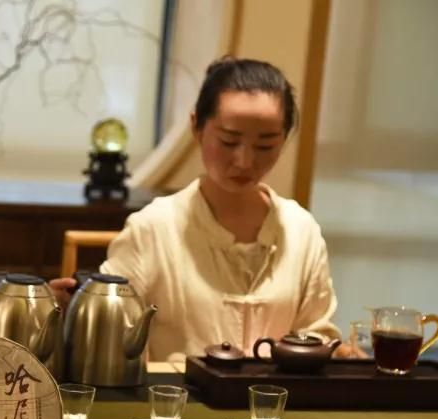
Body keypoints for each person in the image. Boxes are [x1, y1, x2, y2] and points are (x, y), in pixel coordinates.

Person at [52, 57, 347, 362]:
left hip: (274, 395)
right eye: (229, 141)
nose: (244, 161)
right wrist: (68, 311)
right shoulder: (152, 228)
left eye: (265, 145)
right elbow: (109, 337)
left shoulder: (301, 231)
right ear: (197, 126)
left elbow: (318, 337)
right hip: (176, 393)